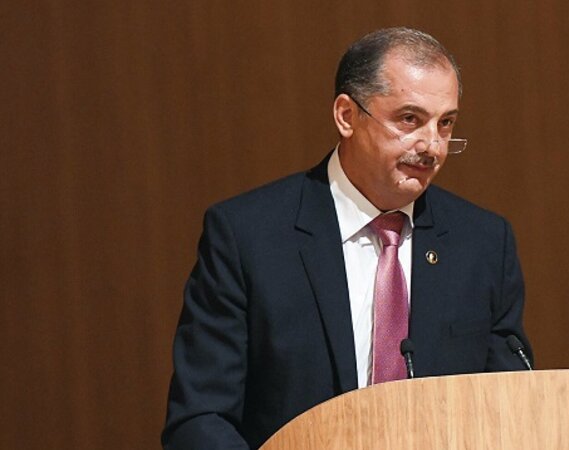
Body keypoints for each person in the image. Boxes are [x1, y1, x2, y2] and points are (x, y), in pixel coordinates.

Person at [162, 27, 532, 450]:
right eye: (409, 119)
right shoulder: (249, 237)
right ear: (346, 116)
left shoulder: (483, 244)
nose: (432, 147)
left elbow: (510, 407)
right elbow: (200, 418)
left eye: (445, 123)